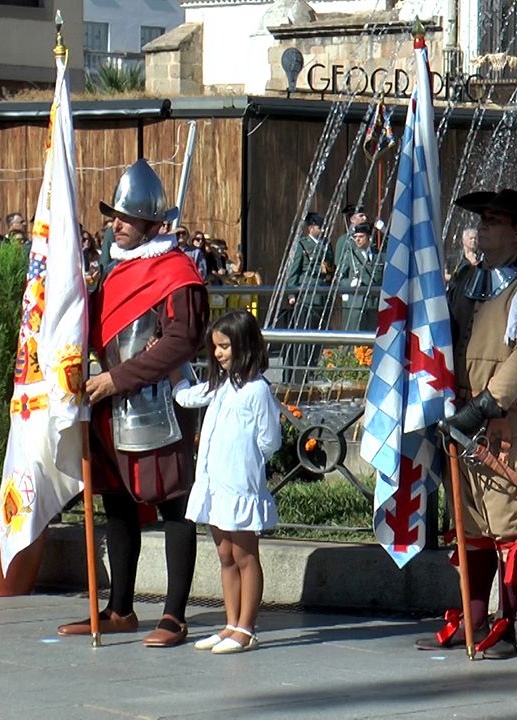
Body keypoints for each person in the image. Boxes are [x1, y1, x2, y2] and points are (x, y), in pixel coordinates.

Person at [57, 159, 208, 647]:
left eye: (126, 218)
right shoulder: (116, 270)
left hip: (158, 405)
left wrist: (117, 379)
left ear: (151, 224)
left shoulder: (177, 273)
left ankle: (175, 616)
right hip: (109, 404)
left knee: (174, 506)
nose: (116, 225)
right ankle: (120, 608)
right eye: (114, 217)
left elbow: (182, 340)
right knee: (118, 504)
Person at [417, 188, 517, 659]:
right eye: (481, 219)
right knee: (473, 523)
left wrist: (485, 404)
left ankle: (507, 626)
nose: (482, 227)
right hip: (459, 418)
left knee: (508, 522)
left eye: (493, 221)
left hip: (504, 423)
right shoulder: (467, 277)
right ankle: (473, 618)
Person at [173, 310, 282, 655]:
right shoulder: (222, 386)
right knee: (225, 554)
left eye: (225, 346)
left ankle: (246, 628)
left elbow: (270, 439)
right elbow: (186, 396)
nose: (218, 354)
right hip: (215, 482)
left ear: (244, 345)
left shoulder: (257, 390)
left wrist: (247, 459)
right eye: (215, 347)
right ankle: (231, 623)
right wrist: (174, 366)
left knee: (244, 554)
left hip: (240, 483)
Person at [281, 211, 332, 382]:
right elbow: (294, 271)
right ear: (310, 228)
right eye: (320, 227)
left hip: (322, 294)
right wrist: (292, 293)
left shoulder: (326, 245)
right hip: (307, 295)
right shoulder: (302, 245)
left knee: (319, 334)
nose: (323, 230)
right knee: (306, 334)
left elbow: (331, 267)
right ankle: (302, 369)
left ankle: (314, 367)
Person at [334, 222, 382, 331]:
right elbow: (339, 277)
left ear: (369, 238)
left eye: (361, 236)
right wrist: (349, 284)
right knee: (354, 334)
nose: (357, 240)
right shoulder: (350, 256)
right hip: (355, 303)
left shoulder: (379, 255)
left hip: (373, 303)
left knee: (372, 334)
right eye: (355, 237)